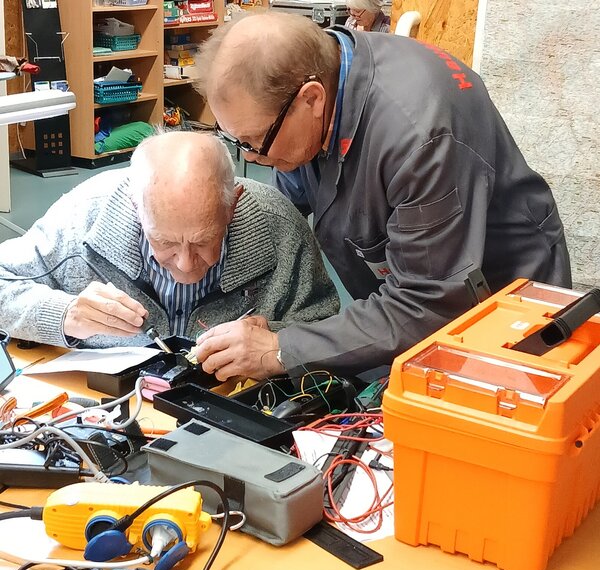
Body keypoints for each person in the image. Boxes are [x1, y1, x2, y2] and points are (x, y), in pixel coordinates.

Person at [189, 12, 572, 381]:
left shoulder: (420, 138)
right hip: (412, 297)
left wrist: (280, 349)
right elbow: (287, 206)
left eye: (255, 140)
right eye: (237, 141)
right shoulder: (321, 73)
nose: (252, 158)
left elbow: (425, 302)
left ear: (312, 99)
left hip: (501, 302)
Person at [0, 131, 339, 349]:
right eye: (165, 242)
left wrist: (276, 344)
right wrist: (63, 314)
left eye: (203, 241)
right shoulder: (83, 214)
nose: (186, 264)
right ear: (135, 207)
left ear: (232, 205)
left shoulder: (281, 226)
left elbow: (327, 329)